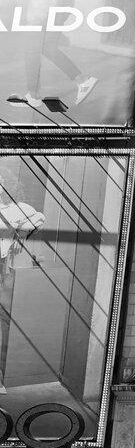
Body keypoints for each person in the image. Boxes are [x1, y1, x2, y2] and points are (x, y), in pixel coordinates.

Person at [0, 163, 44, 393]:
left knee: (2, 323)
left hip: (3, 272)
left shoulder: (14, 210)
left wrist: (21, 233)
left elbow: (38, 218)